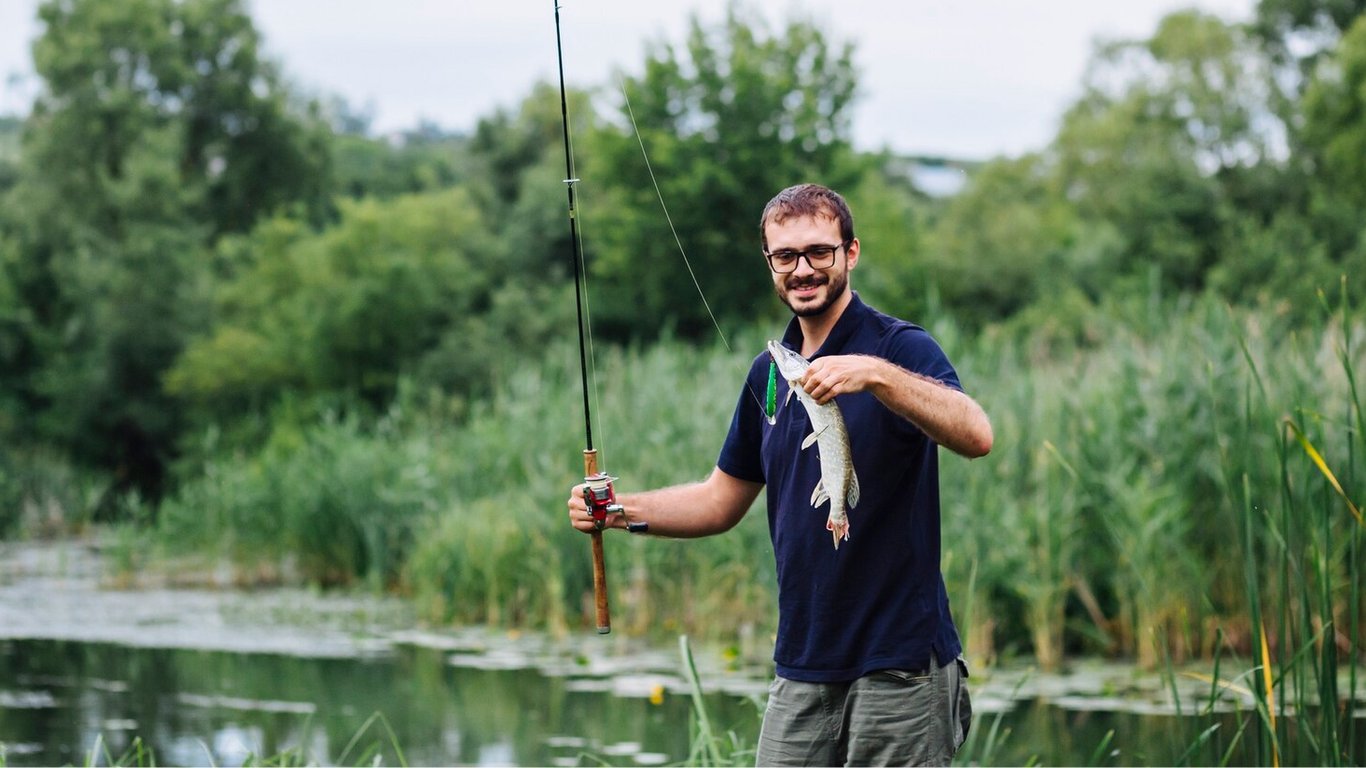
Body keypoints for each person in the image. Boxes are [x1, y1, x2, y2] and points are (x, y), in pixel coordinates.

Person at [567, 183, 993, 766]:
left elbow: (976, 435)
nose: (804, 270)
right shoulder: (770, 374)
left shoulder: (898, 349)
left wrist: (876, 376)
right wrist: (616, 512)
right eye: (785, 257)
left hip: (901, 664)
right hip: (803, 663)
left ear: (851, 252)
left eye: (819, 251)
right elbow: (720, 501)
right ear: (770, 263)